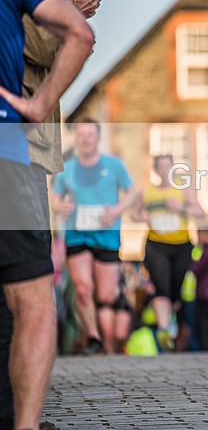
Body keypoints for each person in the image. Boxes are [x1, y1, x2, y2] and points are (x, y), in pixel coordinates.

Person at [0, 0, 95, 430]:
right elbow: (64, 39)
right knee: (30, 295)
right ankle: (23, 429)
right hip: (13, 152)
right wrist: (38, 104)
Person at [51, 121, 138, 355]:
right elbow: (54, 196)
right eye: (81, 135)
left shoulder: (114, 165)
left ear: (97, 137)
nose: (85, 139)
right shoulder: (66, 168)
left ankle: (107, 342)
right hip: (77, 234)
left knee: (106, 294)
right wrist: (61, 206)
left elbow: (132, 191)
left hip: (107, 237)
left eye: (90, 135)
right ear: (76, 138)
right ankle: (93, 336)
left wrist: (117, 211)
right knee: (83, 289)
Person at [130, 154, 205, 351]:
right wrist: (142, 217)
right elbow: (134, 214)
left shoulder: (184, 189)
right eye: (161, 167)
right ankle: (164, 328)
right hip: (156, 244)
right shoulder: (147, 192)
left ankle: (170, 323)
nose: (165, 171)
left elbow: (200, 213)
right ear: (156, 170)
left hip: (181, 244)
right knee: (161, 286)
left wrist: (182, 207)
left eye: (168, 167)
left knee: (175, 291)